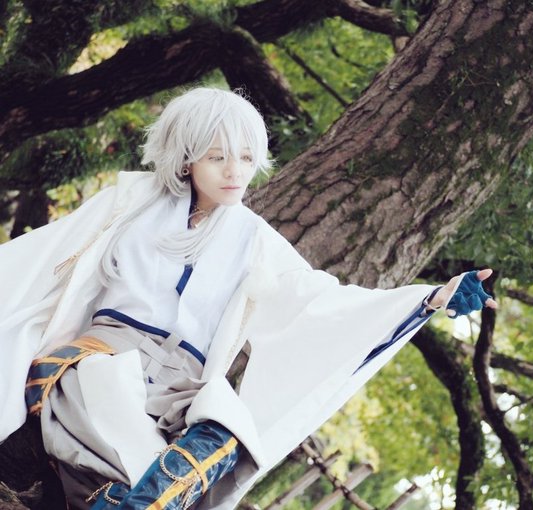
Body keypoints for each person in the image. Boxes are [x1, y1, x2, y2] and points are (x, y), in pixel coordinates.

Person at [0, 87, 497, 509]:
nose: (235, 171)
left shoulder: (256, 240)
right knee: (113, 404)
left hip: (179, 390)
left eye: (245, 156)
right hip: (101, 360)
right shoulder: (128, 203)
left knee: (228, 422)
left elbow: (317, 303)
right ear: (187, 158)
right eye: (217, 157)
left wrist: (430, 299)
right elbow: (36, 259)